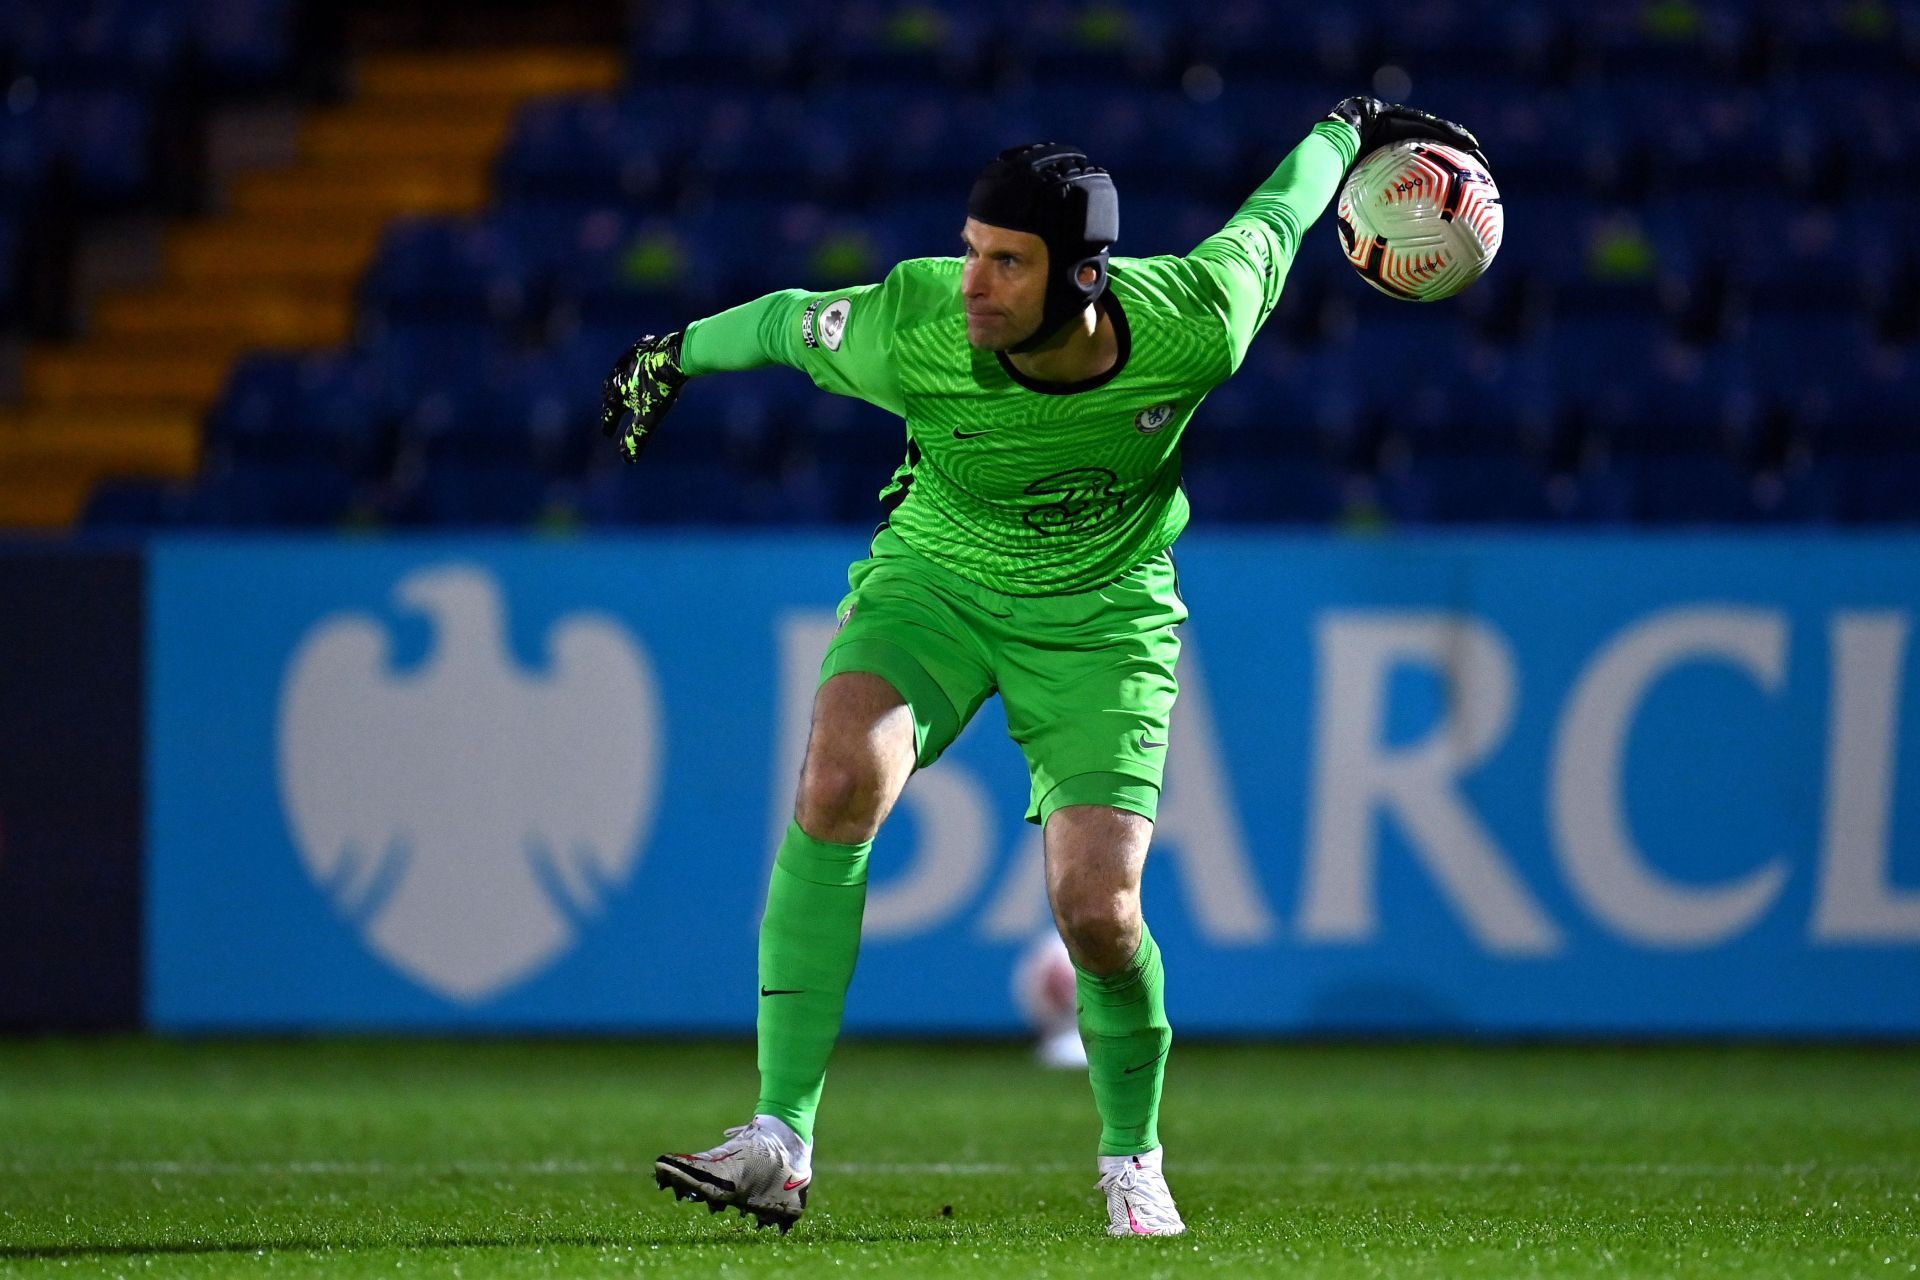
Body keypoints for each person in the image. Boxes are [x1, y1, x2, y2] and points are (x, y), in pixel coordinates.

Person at [603, 96, 1483, 1239]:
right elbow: (786, 322)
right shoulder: (914, 320)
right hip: (938, 579)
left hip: (1105, 616)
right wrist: (672, 355)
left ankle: (1133, 1158)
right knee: (834, 780)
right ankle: (780, 1137)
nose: (971, 283)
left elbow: (1276, 220)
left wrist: (1349, 126)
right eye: (972, 251)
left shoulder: (1194, 324)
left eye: (1006, 264)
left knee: (1098, 908)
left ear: (1082, 278)